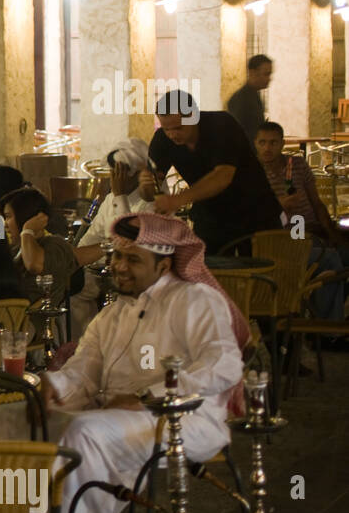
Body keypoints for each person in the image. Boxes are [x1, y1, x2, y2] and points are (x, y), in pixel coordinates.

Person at [0, 213, 245, 513]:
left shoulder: (195, 300)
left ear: (164, 263)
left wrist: (148, 397)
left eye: (133, 260)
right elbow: (85, 367)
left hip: (183, 418)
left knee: (84, 433)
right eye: (117, 257)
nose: (119, 267)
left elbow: (224, 366)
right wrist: (53, 386)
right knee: (7, 416)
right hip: (112, 415)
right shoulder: (115, 310)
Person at [143, 91, 282, 254]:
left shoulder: (221, 124)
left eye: (179, 128)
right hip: (211, 217)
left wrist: (177, 200)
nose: (172, 134)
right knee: (209, 274)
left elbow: (223, 176)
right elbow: (150, 190)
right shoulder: (163, 139)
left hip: (255, 212)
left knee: (262, 274)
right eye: (166, 129)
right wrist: (146, 185)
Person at [255, 120, 346, 320]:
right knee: (329, 259)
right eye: (262, 142)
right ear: (255, 144)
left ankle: (326, 315)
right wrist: (280, 204)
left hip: (309, 231)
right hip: (282, 239)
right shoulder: (253, 173)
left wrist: (331, 232)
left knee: (344, 253)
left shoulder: (296, 164)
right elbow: (254, 213)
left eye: (273, 142)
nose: (267, 148)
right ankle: (327, 328)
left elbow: (316, 202)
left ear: (282, 143)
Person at [69, 140, 153, 337]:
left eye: (118, 172)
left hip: (136, 273)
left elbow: (127, 239)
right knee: (72, 289)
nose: (113, 177)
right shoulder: (110, 200)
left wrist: (119, 195)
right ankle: (81, 347)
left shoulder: (150, 202)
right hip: (101, 271)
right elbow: (89, 240)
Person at [0, 185, 77, 311]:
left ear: (25, 216)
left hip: (29, 322)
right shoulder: (15, 248)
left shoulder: (54, 244)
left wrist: (27, 230)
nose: (5, 224)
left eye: (8, 217)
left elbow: (34, 265)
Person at [226, 54, 273, 143]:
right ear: (253, 73)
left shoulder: (254, 95)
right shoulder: (241, 99)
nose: (269, 78)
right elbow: (236, 134)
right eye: (266, 74)